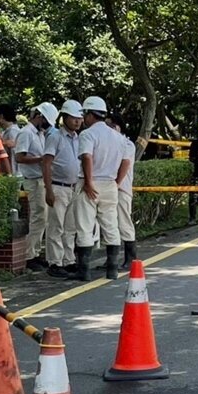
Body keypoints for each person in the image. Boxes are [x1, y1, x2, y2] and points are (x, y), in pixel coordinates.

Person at [70, 95, 128, 280]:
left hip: (91, 182)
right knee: (110, 225)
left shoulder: (88, 134)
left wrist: (88, 182)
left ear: (89, 114)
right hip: (110, 183)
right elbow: (125, 161)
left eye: (84, 115)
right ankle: (112, 269)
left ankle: (84, 271)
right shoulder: (118, 137)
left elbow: (87, 157)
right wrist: (117, 182)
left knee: (85, 225)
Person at [43, 100, 84, 278]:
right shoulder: (55, 137)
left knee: (70, 227)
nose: (77, 121)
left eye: (79, 118)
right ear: (65, 118)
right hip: (58, 186)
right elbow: (46, 163)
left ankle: (69, 260)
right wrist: (49, 190)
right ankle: (55, 262)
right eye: (73, 118)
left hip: (73, 187)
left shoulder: (78, 138)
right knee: (56, 226)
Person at [15, 102, 55, 267]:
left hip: (41, 179)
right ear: (39, 117)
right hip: (33, 179)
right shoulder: (26, 133)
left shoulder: (39, 133)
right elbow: (19, 157)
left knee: (42, 218)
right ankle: (30, 255)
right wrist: (41, 159)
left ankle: (36, 252)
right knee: (38, 217)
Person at [105, 112, 140, 266]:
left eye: (112, 126)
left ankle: (131, 257)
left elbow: (123, 165)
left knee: (124, 222)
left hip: (121, 189)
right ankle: (110, 259)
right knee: (108, 224)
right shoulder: (108, 143)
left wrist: (116, 184)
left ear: (120, 127)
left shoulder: (127, 144)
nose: (109, 129)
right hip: (108, 189)